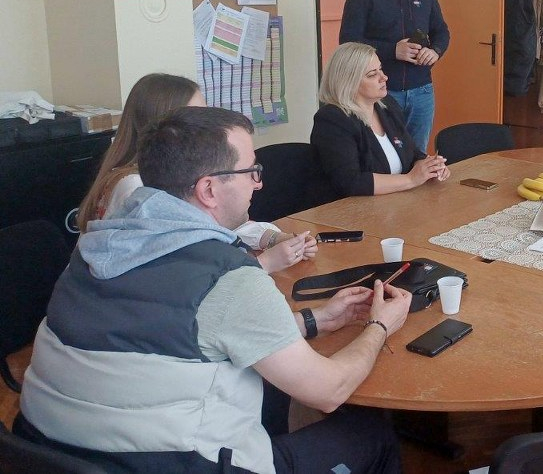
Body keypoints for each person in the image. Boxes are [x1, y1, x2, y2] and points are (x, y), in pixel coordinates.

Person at [17, 106, 411, 474]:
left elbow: (181, 330)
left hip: (44, 452)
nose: (259, 182)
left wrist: (314, 320)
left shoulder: (93, 250)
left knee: (274, 392)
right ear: (208, 190)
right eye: (251, 171)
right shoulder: (227, 275)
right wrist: (380, 326)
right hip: (164, 463)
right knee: (369, 434)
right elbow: (329, 390)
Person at [77, 73, 315, 273]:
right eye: (197, 115)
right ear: (170, 126)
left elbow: (214, 226)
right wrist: (262, 264)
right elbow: (176, 266)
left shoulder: (147, 175)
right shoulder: (137, 187)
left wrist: (271, 238)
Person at [340, 0, 450, 153]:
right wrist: (392, 51)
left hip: (422, 90)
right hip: (382, 91)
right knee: (385, 154)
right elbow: (348, 43)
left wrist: (436, 51)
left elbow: (441, 31)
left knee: (418, 153)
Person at [312, 42, 450, 198]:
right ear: (349, 82)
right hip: (353, 209)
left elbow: (412, 154)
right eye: (372, 74)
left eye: (381, 69)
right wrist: (411, 179)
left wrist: (429, 167)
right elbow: (350, 182)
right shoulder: (332, 120)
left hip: (395, 202)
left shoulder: (387, 106)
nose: (384, 77)